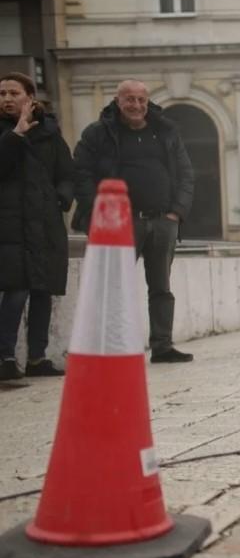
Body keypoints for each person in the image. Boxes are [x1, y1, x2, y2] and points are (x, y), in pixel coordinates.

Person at [73, 79, 194, 363]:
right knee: (113, 287)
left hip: (162, 221)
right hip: (118, 225)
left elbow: (186, 173)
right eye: (129, 99)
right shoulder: (97, 134)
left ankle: (162, 345)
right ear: (118, 101)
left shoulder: (165, 131)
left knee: (161, 288)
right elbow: (81, 174)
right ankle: (115, 345)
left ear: (147, 101)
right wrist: (100, 215)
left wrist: (176, 212)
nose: (136, 105)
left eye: (141, 99)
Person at [0, 73, 74, 381]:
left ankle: (37, 357)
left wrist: (61, 197)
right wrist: (16, 133)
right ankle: (4, 357)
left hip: (44, 221)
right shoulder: (6, 132)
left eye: (13, 93)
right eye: (2, 93)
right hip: (10, 223)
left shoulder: (50, 131)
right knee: (16, 289)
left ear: (30, 97)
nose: (6, 99)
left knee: (43, 289)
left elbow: (67, 171)